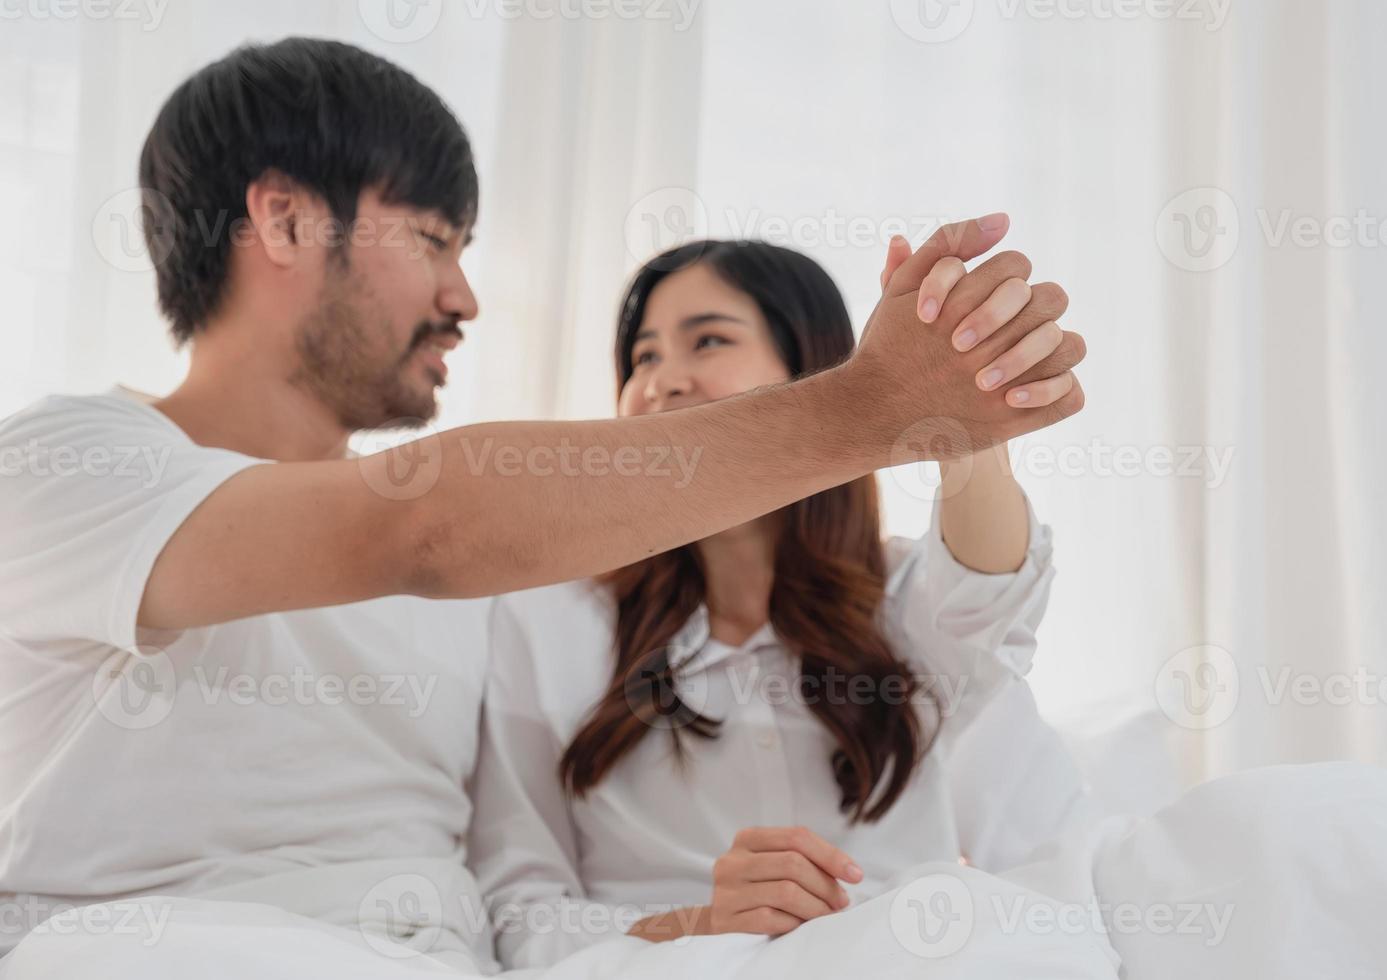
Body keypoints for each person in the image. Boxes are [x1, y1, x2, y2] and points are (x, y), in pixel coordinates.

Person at [0, 37, 1084, 974]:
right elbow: (422, 524)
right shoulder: (67, 464)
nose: (465, 298)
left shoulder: (495, 604)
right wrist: (870, 409)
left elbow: (526, 883)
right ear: (283, 221)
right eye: (433, 239)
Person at [472, 240, 1092, 970]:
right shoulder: (548, 621)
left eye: (707, 340)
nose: (661, 383)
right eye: (641, 359)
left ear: (813, 375)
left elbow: (987, 596)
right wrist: (698, 922)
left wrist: (954, 406)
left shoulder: (901, 601)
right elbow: (518, 916)